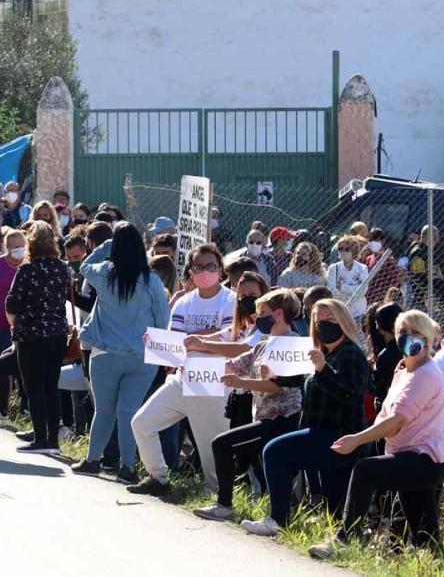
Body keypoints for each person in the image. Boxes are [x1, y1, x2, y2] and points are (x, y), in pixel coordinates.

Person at [306, 310, 444, 559]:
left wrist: (357, 439)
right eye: (402, 332)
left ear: (427, 338)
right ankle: (435, 564)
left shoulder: (426, 374)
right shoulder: (404, 371)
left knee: (365, 470)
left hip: (424, 460)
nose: (407, 337)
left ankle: (344, 539)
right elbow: (386, 413)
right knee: (425, 534)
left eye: (414, 332)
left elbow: (396, 421)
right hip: (406, 455)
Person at [242, 299, 368, 537]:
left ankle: (278, 519)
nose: (323, 325)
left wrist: (323, 369)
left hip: (338, 436)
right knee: (337, 506)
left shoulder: (351, 354)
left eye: (330, 319)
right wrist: (276, 376)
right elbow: (301, 379)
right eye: (318, 321)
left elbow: (350, 392)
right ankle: (345, 540)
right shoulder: (324, 353)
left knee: (275, 452)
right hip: (322, 434)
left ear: (343, 320)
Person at [127, 243, 238, 493]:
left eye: (210, 265)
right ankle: (158, 478)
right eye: (198, 266)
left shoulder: (231, 300)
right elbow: (177, 342)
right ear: (190, 271)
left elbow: (228, 337)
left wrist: (195, 340)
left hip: (212, 377)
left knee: (211, 444)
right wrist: (159, 344)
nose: (204, 271)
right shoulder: (183, 303)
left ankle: (219, 496)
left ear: (220, 269)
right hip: (182, 376)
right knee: (142, 423)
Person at [70, 222, 170, 483]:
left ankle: (92, 460)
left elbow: (83, 265)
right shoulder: (152, 281)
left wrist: (105, 245)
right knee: (129, 412)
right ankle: (128, 467)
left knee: (103, 411)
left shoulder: (104, 274)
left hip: (104, 354)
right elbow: (163, 319)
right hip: (141, 357)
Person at [193, 289, 304, 521]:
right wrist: (192, 370)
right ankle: (278, 512)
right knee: (263, 466)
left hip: (281, 419)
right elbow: (233, 366)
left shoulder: (293, 344)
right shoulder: (264, 344)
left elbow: (277, 386)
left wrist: (242, 382)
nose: (255, 318)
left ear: (278, 314)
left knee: (223, 444)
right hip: (262, 417)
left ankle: (226, 505)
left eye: (261, 312)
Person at [5, 221, 71, 453]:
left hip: (31, 333)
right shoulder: (63, 268)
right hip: (56, 333)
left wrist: (14, 324)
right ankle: (53, 439)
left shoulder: (27, 269)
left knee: (34, 387)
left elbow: (12, 302)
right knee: (51, 386)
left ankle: (40, 438)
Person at [0, 229, 27, 419]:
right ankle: (3, 406)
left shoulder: (27, 265)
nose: (19, 250)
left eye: (22, 246)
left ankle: (22, 406)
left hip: (20, 325)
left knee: (21, 367)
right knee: (1, 363)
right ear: (7, 247)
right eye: (15, 247)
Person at [368, 302, 402, 414]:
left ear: (380, 328)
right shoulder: (411, 348)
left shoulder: (384, 357)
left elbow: (379, 389)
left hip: (389, 410)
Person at [327, 236, 370, 321]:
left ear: (354, 251)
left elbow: (362, 291)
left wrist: (342, 287)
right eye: (340, 248)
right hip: (339, 311)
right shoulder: (333, 268)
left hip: (358, 312)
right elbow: (333, 292)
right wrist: (354, 288)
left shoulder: (362, 268)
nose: (343, 251)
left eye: (346, 249)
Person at [407, 225, 444, 310]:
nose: (437, 241)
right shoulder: (419, 253)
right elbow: (419, 278)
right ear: (434, 238)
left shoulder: (425, 252)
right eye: (436, 238)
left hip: (427, 298)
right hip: (423, 300)